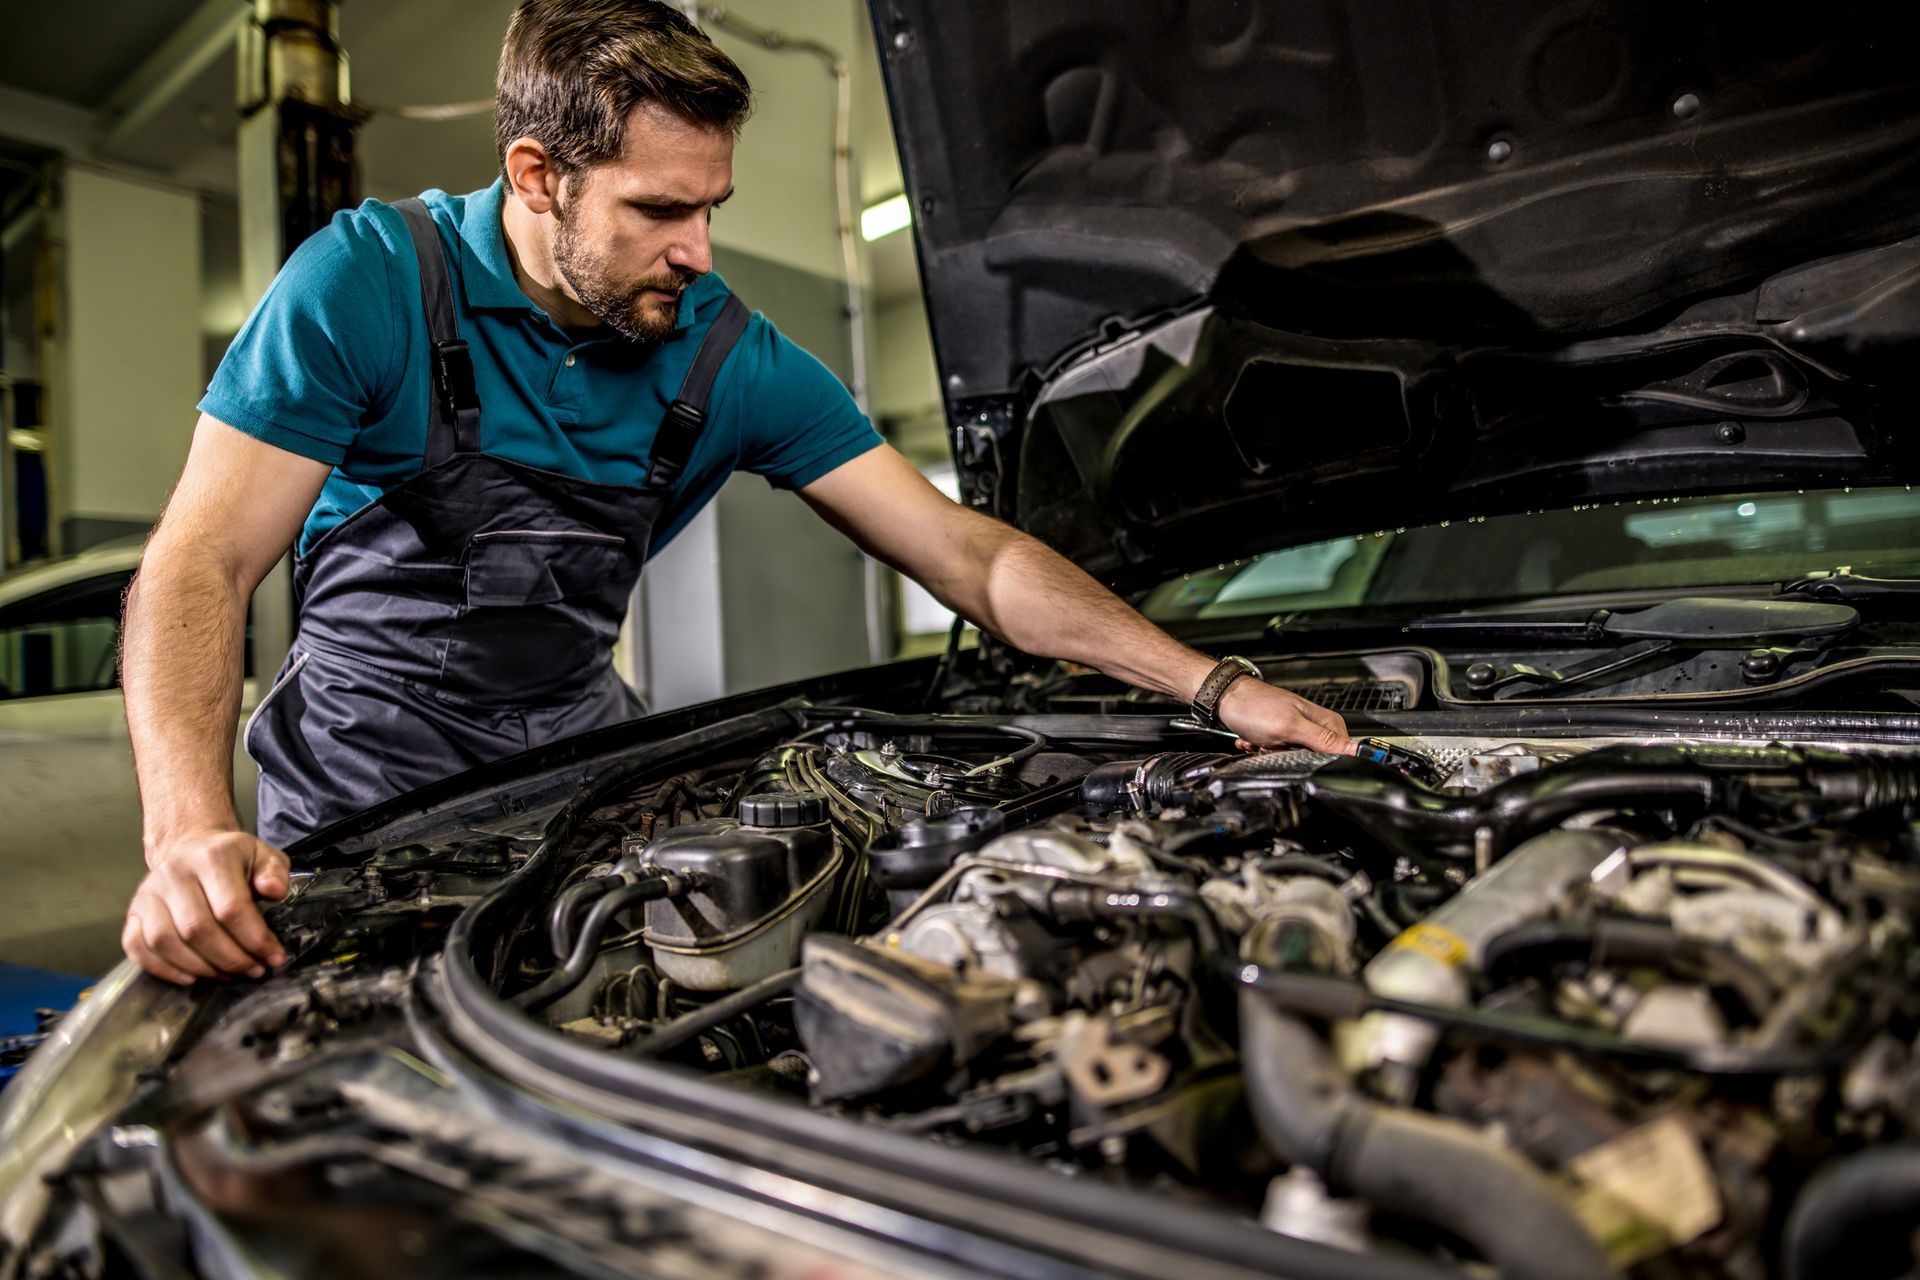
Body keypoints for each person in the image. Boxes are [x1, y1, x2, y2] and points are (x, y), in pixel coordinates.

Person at [117, 0, 1353, 986]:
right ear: (538, 175)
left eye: (711, 207)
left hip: (575, 764)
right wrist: (185, 837)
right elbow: (200, 562)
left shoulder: (726, 353)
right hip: (357, 784)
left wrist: (1215, 685)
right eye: (660, 209)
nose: (699, 251)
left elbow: (967, 557)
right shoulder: (369, 284)